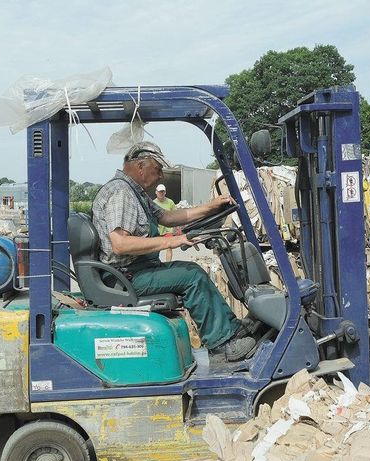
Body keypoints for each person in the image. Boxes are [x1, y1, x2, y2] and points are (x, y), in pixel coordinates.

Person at [91, 142, 256, 361]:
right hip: (125, 276)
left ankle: (231, 329)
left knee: (190, 271)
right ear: (141, 166)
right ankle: (223, 345)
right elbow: (120, 244)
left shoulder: (134, 192)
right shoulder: (121, 193)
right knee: (192, 276)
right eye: (158, 170)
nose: (160, 177)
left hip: (134, 270)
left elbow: (168, 218)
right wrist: (171, 241)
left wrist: (211, 206)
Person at [153, 184, 176, 261]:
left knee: (169, 247)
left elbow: (175, 214)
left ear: (165, 192)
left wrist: (177, 226)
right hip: (158, 229)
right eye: (159, 192)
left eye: (162, 192)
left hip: (168, 229)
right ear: (156, 192)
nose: (161, 193)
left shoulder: (170, 202)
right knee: (155, 249)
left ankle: (168, 265)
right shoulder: (152, 203)